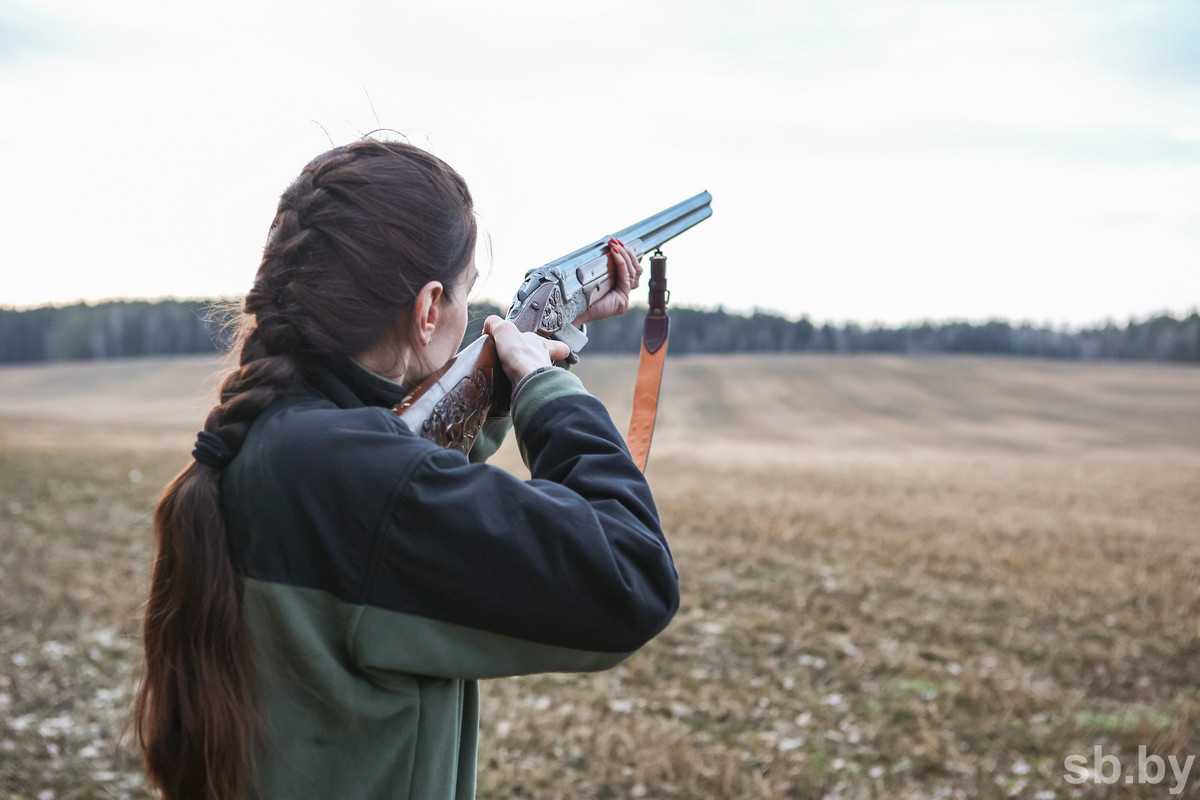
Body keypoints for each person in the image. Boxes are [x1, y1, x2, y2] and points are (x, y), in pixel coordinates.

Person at [133, 139, 680, 800]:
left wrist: (544, 345)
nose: (474, 321)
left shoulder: (284, 441)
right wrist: (545, 387)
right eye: (466, 298)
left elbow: (407, 471)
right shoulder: (353, 472)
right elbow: (630, 576)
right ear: (427, 309)